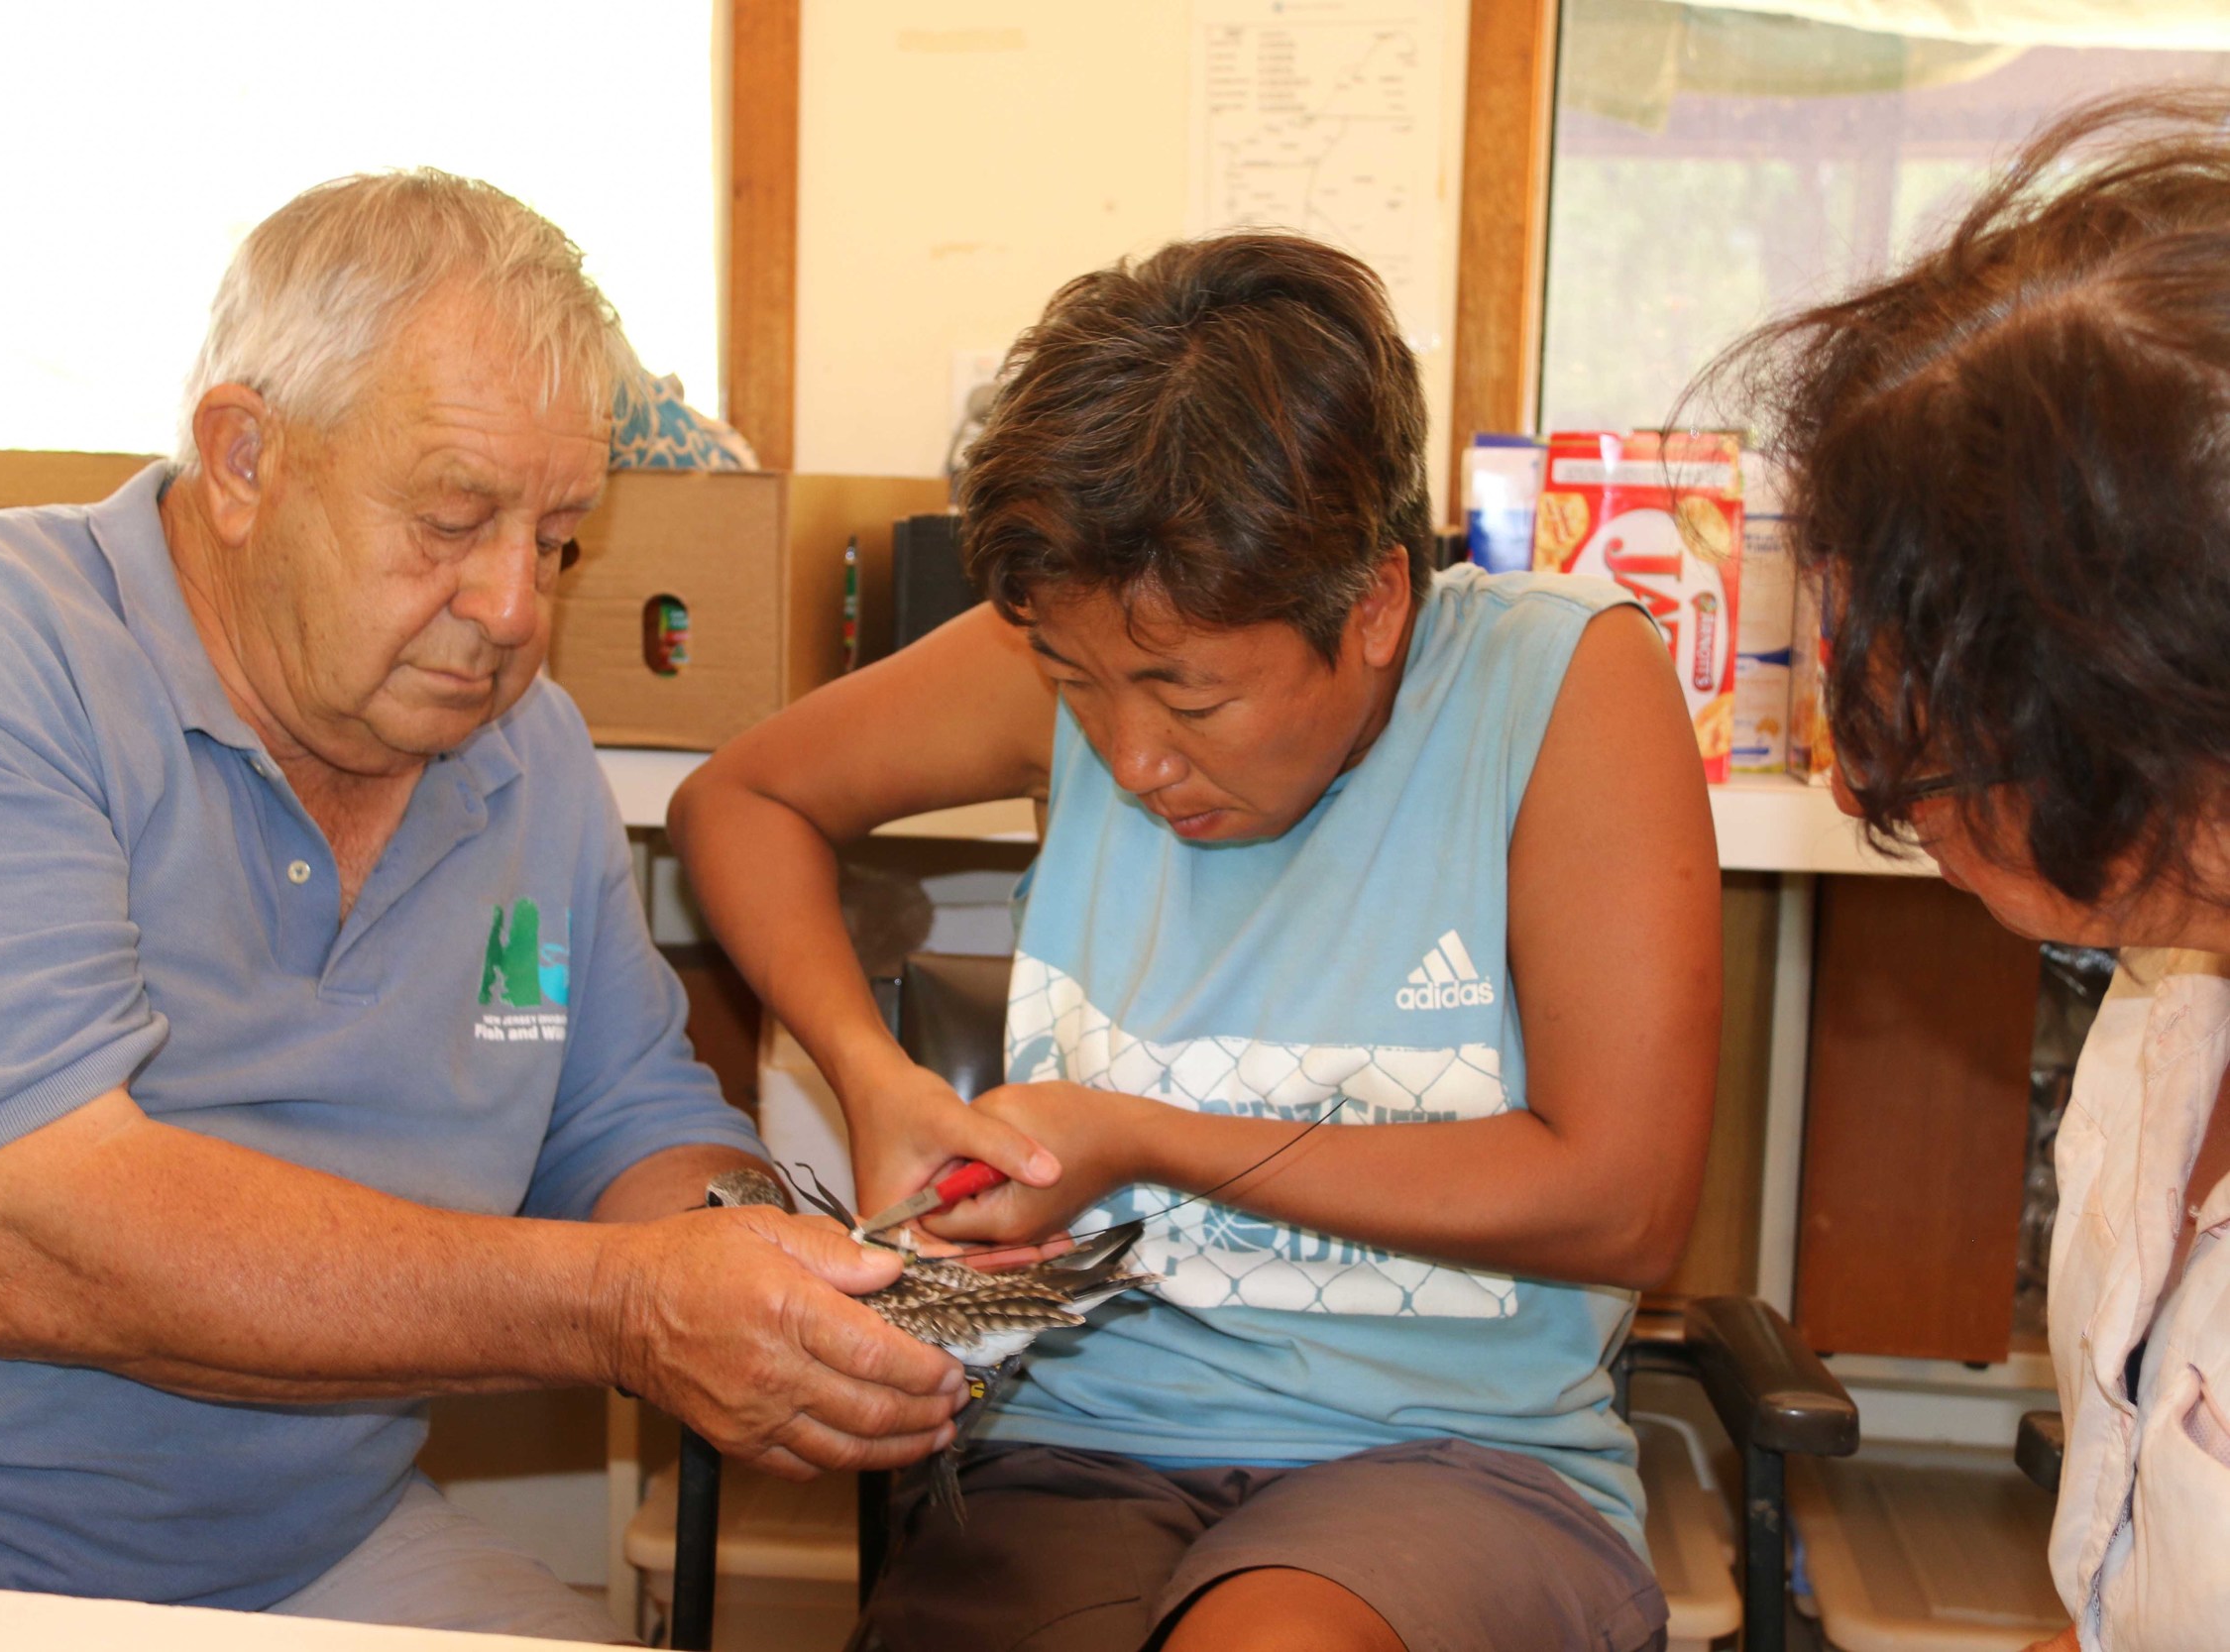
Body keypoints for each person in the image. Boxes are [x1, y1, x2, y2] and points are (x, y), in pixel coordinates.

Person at [0, 170, 966, 1639]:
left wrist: (787, 1275)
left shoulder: (531, 756)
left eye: (560, 536)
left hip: (307, 1553)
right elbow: (32, 1243)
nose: (516, 606)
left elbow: (624, 1126)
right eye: (453, 521)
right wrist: (626, 1310)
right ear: (246, 456)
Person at [670, 232, 1721, 1652]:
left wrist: (1148, 1137)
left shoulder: (1563, 686)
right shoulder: (1103, 632)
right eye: (1077, 688)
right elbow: (741, 800)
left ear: (1374, 607)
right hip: (1080, 1452)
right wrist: (871, 1075)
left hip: (1455, 1463)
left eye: (1190, 699)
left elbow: (1622, 1200)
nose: (1131, 755)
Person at [1709, 88, 2230, 1652]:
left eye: (1903, 678)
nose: (1857, 743)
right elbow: (2126, 1568)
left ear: (2125, 698)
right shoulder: (2167, 1014)